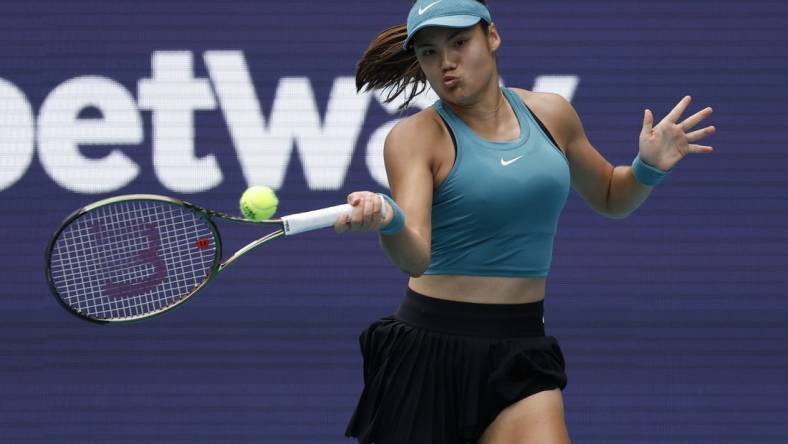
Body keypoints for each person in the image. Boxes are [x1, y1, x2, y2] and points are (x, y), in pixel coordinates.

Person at [335, 1, 716, 442]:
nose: (447, 63)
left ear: (492, 37)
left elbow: (611, 195)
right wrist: (389, 220)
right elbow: (415, 256)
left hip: (520, 348)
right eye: (429, 53)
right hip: (428, 352)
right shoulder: (415, 136)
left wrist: (648, 167)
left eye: (459, 43)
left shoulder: (552, 114)